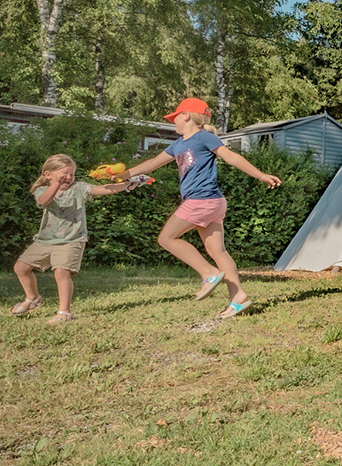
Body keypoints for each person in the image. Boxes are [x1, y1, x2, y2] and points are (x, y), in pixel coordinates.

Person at [117, 98, 281, 319]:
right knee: (217, 251)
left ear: (186, 115)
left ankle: (208, 273)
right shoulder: (178, 144)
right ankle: (238, 296)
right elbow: (153, 163)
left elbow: (231, 156)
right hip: (212, 201)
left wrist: (260, 175)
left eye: (174, 116)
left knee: (166, 238)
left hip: (201, 200)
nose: (172, 120)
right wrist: (125, 174)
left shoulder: (204, 137)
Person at [10, 154, 136, 322]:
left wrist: (126, 185)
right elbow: (43, 201)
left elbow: (103, 189)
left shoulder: (79, 188)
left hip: (72, 239)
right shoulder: (42, 190)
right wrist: (56, 183)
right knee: (20, 268)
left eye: (72, 174)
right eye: (64, 174)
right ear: (48, 174)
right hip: (45, 240)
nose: (69, 178)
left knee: (61, 272)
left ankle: (64, 312)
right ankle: (33, 298)